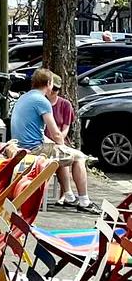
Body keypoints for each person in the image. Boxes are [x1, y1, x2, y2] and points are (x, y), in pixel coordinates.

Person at [10, 68, 98, 214]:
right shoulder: (42, 101)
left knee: (61, 154)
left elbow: (36, 130)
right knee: (79, 157)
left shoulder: (24, 97)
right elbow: (56, 133)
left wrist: (59, 147)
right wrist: (63, 146)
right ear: (49, 83)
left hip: (20, 145)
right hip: (34, 149)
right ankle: (84, 201)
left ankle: (69, 196)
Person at [43, 74, 93, 210]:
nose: (53, 92)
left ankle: (70, 194)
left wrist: (60, 140)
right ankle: (70, 194)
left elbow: (65, 128)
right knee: (63, 155)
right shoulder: (42, 103)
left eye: (57, 90)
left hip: (60, 139)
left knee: (65, 153)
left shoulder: (65, 104)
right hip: (45, 141)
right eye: (52, 89)